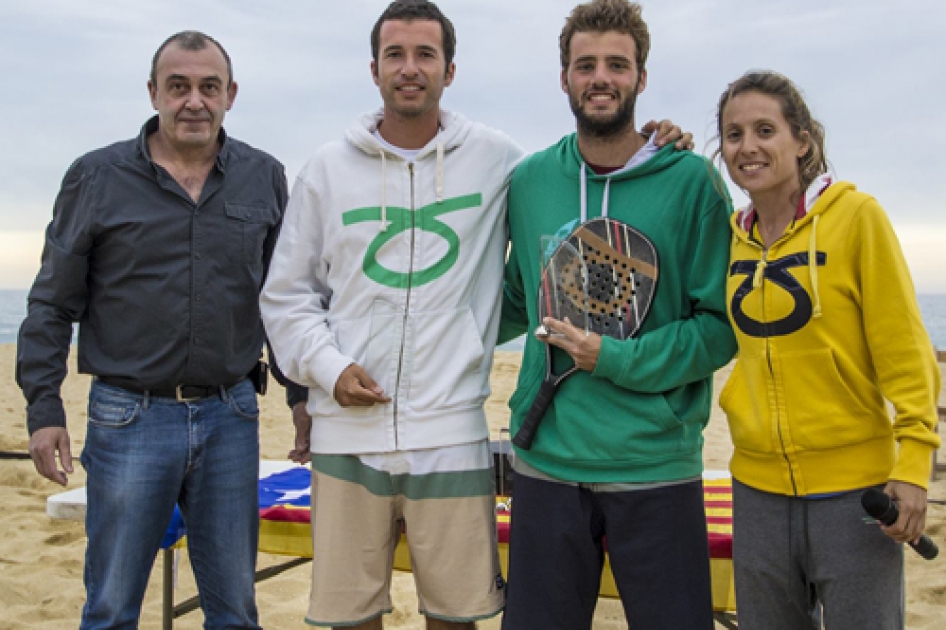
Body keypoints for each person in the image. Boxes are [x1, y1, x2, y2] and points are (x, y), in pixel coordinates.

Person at [259, 2, 688, 628]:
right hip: (345, 437)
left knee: (456, 618)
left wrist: (653, 145)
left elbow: (583, 167)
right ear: (373, 69)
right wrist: (327, 366)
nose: (410, 68)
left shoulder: (499, 160)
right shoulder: (327, 169)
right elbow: (286, 296)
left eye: (425, 55)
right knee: (349, 620)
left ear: (450, 70)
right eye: (396, 55)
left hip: (452, 440)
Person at [16, 31, 301, 629]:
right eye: (178, 87)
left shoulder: (265, 178)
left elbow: (284, 302)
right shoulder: (96, 178)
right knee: (113, 607)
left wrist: (300, 398)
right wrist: (44, 410)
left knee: (235, 611)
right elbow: (50, 304)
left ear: (231, 95)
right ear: (153, 93)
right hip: (128, 420)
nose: (194, 101)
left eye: (208, 87)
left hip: (232, 417)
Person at [498, 1, 737, 628]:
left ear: (641, 77)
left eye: (616, 64)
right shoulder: (528, 182)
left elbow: (719, 328)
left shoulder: (692, 184)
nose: (600, 77)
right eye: (585, 65)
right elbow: (515, 303)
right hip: (545, 462)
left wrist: (614, 359)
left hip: (654, 467)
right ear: (564, 78)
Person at [714, 70, 941, 630]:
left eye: (765, 130)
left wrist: (913, 465)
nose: (748, 147)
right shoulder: (729, 237)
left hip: (855, 493)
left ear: (803, 140)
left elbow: (905, 350)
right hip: (757, 490)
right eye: (734, 134)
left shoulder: (856, 219)